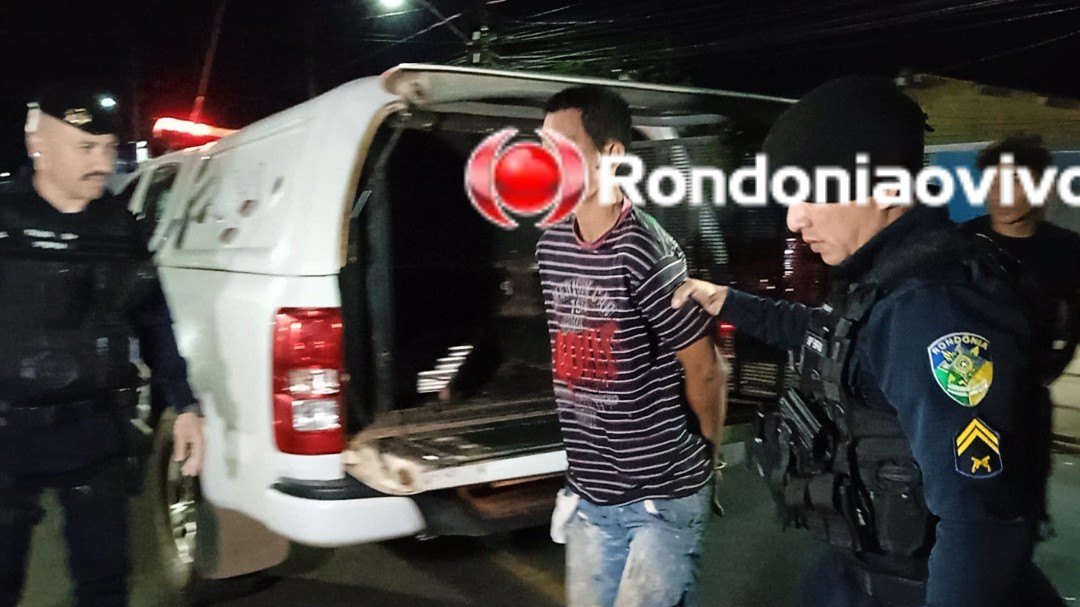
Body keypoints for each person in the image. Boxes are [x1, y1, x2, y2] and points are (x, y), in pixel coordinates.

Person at [671, 76, 1063, 607]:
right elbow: (833, 340)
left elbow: (979, 516)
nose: (795, 219)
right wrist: (727, 301)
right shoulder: (884, 280)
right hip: (860, 574)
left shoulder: (933, 307)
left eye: (813, 193)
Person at [0, 85, 206, 607]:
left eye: (109, 148)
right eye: (85, 147)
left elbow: (153, 318)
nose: (103, 162)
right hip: (7, 437)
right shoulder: (5, 218)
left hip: (95, 433)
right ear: (38, 145)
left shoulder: (120, 228)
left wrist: (184, 404)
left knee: (105, 584)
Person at [537, 86, 727, 607]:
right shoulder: (552, 245)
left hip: (660, 500)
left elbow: (706, 368)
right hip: (589, 494)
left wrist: (706, 462)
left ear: (612, 155)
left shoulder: (644, 249)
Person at [963, 134, 1080, 384]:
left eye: (1015, 181)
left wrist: (1053, 366)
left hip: (1033, 391)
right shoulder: (961, 244)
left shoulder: (1068, 248)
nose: (1001, 193)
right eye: (992, 181)